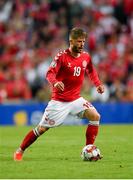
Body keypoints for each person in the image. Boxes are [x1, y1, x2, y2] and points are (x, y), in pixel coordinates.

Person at [14, 27, 104, 161]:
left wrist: (97, 84)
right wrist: (55, 82)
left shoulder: (86, 57)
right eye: (79, 42)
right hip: (59, 102)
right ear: (71, 41)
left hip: (76, 99)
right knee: (41, 129)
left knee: (95, 116)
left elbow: (91, 71)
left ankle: (88, 150)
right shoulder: (61, 56)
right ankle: (20, 151)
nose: (82, 44)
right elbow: (49, 73)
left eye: (83, 42)